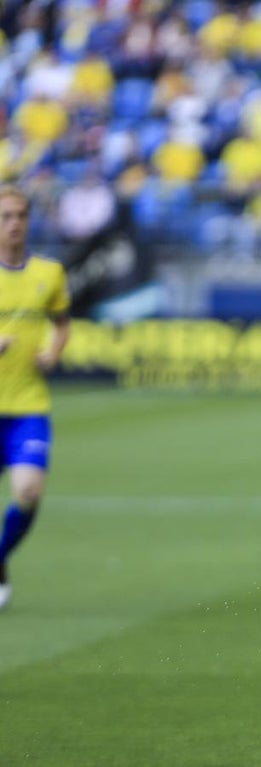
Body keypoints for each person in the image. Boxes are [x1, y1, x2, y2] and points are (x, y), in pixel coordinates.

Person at [0, 185, 71, 610]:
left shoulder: (49, 273)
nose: (15, 224)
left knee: (27, 492)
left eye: (21, 216)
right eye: (6, 216)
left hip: (28, 405)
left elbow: (61, 323)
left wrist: (53, 351)